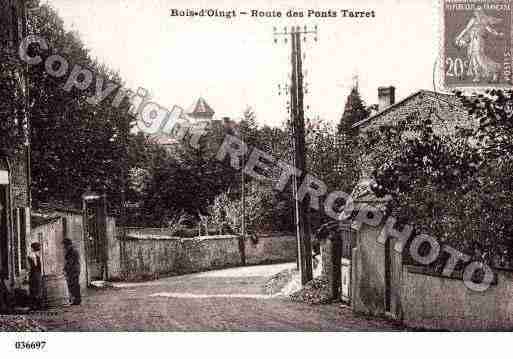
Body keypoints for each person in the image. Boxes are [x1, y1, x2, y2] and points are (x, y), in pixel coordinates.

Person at [63, 238, 81, 305]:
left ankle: (76, 300)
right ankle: (76, 299)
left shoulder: (72, 251)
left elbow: (70, 262)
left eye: (65, 245)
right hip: (74, 269)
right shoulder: (71, 250)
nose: (64, 247)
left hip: (74, 270)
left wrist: (65, 269)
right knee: (74, 284)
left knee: (74, 284)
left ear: (68, 245)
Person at [27, 242, 43, 310]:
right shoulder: (32, 255)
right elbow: (34, 266)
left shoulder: (34, 255)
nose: (39, 248)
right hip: (35, 273)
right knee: (35, 289)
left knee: (35, 289)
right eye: (38, 247)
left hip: (35, 273)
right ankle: (35, 305)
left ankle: (35, 305)